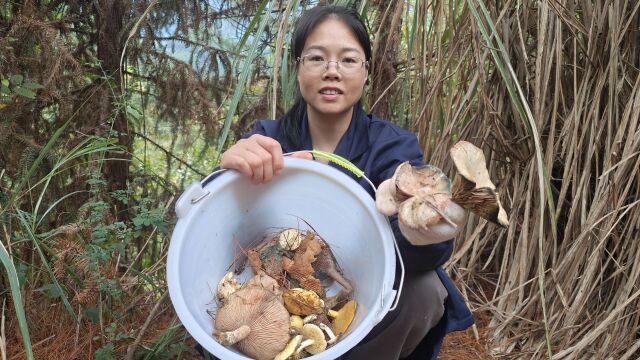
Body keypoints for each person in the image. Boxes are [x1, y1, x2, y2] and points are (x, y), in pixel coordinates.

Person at [217, 5, 473, 359]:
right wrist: (227, 170)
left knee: (426, 291)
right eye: (317, 58)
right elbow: (221, 216)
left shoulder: (392, 147)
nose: (332, 71)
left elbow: (418, 254)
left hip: (360, 302)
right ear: (298, 67)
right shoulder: (267, 141)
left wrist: (422, 230)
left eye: (349, 60)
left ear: (366, 71)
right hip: (266, 302)